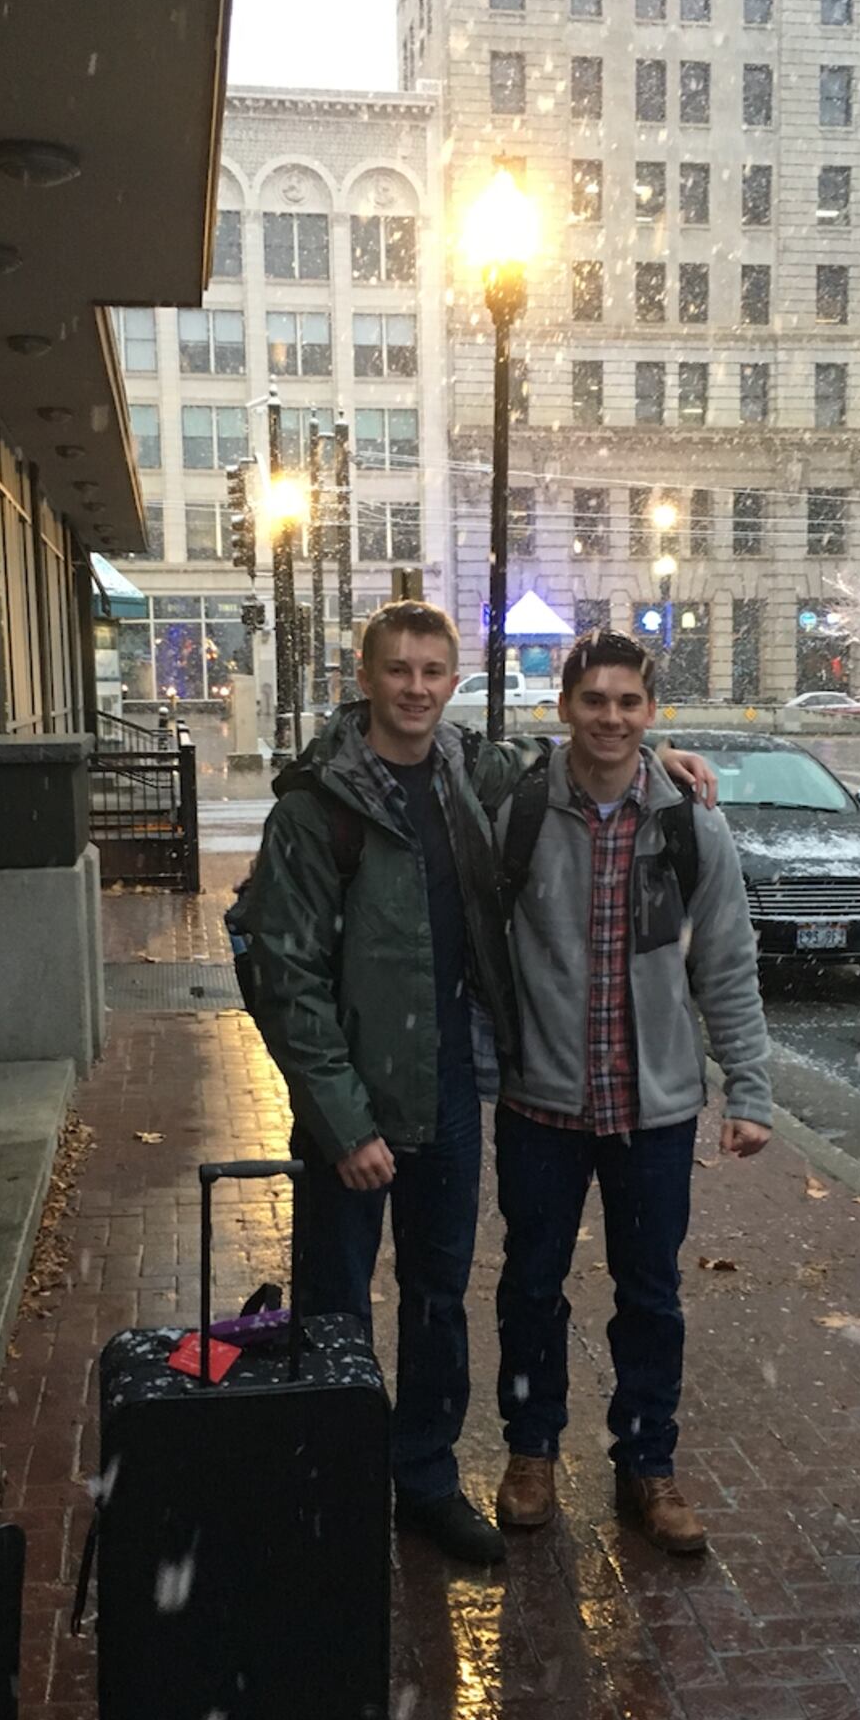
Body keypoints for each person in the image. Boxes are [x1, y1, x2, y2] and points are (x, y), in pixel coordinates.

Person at [233, 602, 718, 1567]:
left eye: (433, 671)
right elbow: (283, 981)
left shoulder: (466, 771)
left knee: (439, 1298)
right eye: (398, 669)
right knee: (336, 1303)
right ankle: (332, 1481)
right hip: (353, 1106)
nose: (415, 687)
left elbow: (585, 755)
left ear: (452, 682)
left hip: (451, 1086)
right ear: (365, 675)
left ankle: (423, 1479)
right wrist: (341, 1120)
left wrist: (670, 764)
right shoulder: (316, 805)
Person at [491, 629, 773, 1556]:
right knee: (532, 1286)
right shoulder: (521, 810)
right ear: (564, 705)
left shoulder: (690, 824)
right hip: (542, 1104)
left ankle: (647, 1463)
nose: (610, 716)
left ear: (651, 714)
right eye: (593, 699)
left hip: (651, 1111)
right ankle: (531, 1450)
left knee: (650, 1294)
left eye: (628, 702)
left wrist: (750, 1091)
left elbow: (727, 965)